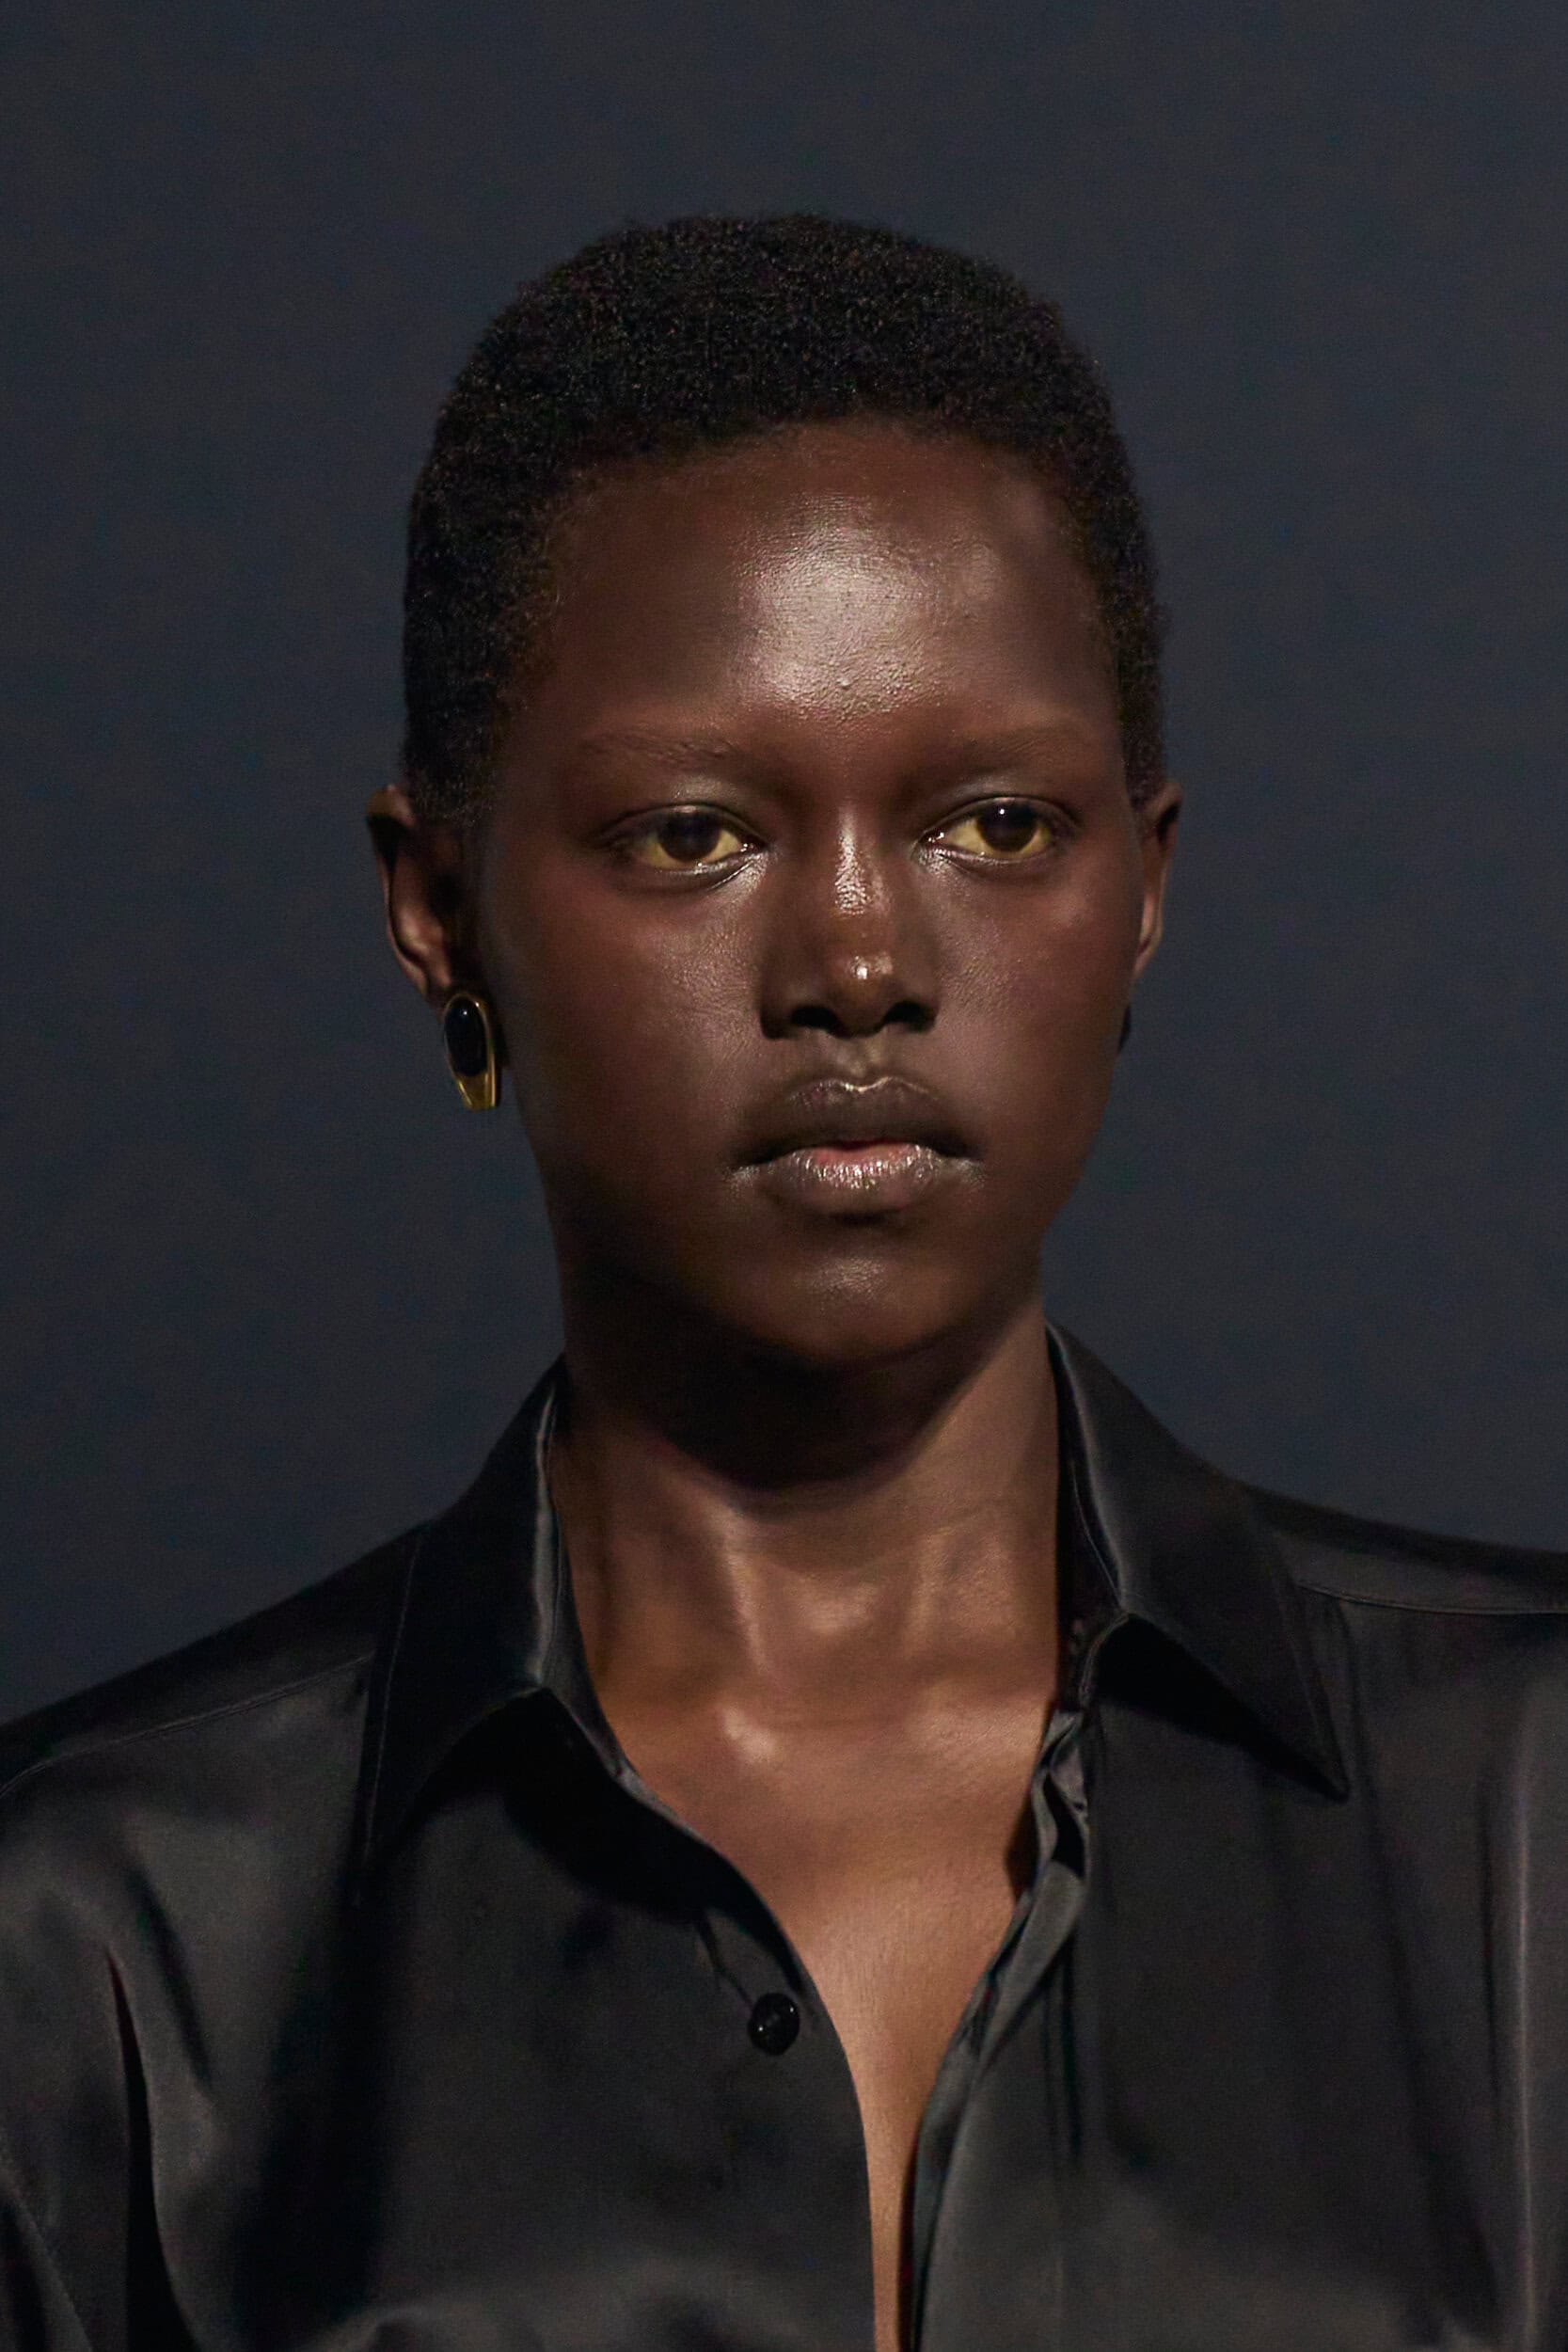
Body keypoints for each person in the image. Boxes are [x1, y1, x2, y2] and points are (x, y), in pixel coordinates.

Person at [1, 213, 1562, 2352]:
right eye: (693, 833)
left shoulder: (1527, 1818)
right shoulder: (92, 1937)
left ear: (1145, 886)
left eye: (995, 825)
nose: (857, 959)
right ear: (439, 907)